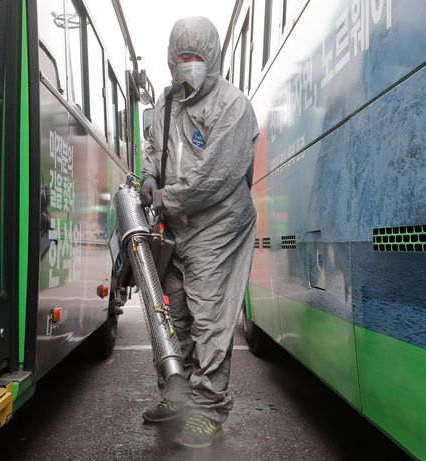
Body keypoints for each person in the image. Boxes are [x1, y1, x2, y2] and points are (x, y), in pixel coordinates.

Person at [139, 16, 259, 448]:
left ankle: (208, 408)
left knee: (209, 316)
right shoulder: (166, 101)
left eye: (194, 56)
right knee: (172, 314)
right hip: (177, 225)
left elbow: (215, 177)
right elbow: (154, 147)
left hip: (217, 223)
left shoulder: (232, 105)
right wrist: (149, 176)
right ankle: (178, 395)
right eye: (180, 57)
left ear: (212, 58)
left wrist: (164, 198)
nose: (186, 64)